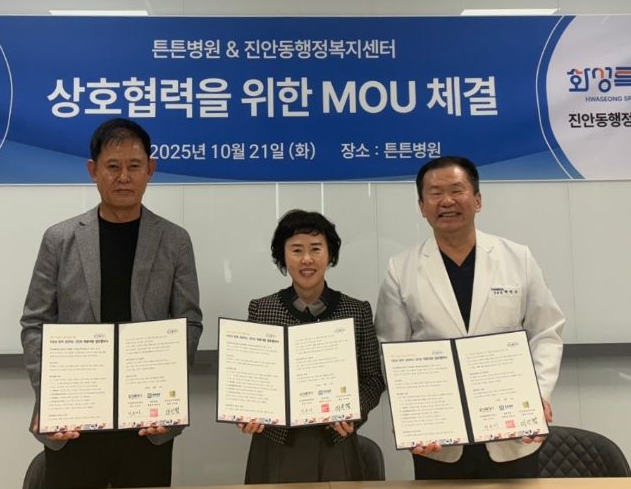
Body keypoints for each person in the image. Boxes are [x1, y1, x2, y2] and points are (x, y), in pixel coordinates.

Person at [20, 118, 203, 488]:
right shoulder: (59, 239)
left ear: (150, 170)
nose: (123, 177)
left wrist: (168, 395)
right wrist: (51, 396)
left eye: (134, 166)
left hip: (147, 421)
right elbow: (35, 324)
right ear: (93, 170)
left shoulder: (174, 240)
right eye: (113, 166)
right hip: (74, 419)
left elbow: (189, 322)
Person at [375, 156, 565, 480]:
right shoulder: (400, 269)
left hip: (510, 429)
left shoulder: (517, 258)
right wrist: (412, 417)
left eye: (456, 190)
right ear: (421, 207)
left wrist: (538, 392)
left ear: (477, 200)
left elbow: (546, 331)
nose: (446, 201)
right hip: (439, 437)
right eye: (435, 193)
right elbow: (390, 351)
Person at [238, 209, 385, 483]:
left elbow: (372, 379)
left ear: (330, 255)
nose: (307, 259)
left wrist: (353, 412)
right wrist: (247, 410)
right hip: (276, 443)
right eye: (296, 250)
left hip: (335, 442)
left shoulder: (356, 310)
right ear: (283, 256)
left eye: (316, 249)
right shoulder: (262, 310)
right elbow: (251, 379)